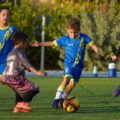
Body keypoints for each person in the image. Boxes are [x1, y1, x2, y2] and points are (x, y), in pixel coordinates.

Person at [30, 17, 101, 109]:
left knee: (72, 84)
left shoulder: (84, 37)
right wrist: (39, 44)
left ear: (79, 30)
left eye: (75, 32)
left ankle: (62, 99)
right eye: (71, 32)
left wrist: (98, 53)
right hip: (69, 64)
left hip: (79, 66)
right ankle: (56, 99)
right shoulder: (65, 39)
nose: (73, 34)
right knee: (66, 79)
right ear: (67, 31)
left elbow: (93, 45)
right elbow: (52, 43)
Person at [1, 31, 46, 113]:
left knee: (19, 91)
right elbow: (26, 64)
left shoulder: (10, 52)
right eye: (26, 42)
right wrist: (37, 72)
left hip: (6, 77)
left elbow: (8, 66)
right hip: (15, 77)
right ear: (21, 43)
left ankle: (17, 108)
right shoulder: (20, 51)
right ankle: (21, 104)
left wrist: (3, 77)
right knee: (35, 88)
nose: (26, 44)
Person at [0, 6, 17, 76]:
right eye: (3, 14)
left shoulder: (12, 29)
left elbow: (18, 43)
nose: (5, 17)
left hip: (6, 62)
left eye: (8, 15)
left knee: (5, 80)